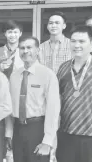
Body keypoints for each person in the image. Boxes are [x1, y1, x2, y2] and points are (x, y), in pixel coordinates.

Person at [7, 36, 60, 162]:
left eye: (29, 47)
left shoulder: (48, 75)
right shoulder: (14, 76)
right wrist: (8, 133)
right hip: (18, 129)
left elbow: (53, 111)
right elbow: (10, 106)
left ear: (38, 50)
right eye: (22, 48)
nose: (25, 51)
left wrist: (47, 141)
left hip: (38, 129)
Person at [56, 25, 92, 162]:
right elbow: (56, 99)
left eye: (82, 41)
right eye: (73, 41)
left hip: (89, 134)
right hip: (66, 133)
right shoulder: (63, 68)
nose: (76, 45)